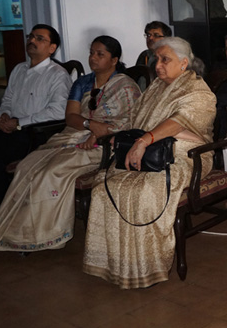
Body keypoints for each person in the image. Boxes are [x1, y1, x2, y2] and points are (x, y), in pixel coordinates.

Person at [83, 37, 216, 289]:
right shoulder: (155, 88)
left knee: (144, 191)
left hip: (186, 156)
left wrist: (145, 140)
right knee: (104, 188)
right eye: (157, 59)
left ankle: (145, 267)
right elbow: (133, 119)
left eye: (166, 60)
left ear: (184, 63)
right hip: (145, 152)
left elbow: (180, 122)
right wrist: (111, 134)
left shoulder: (198, 91)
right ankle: (116, 263)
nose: (158, 65)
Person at [0, 36, 140, 253]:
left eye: (100, 54)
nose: (93, 58)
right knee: (26, 166)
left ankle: (42, 235)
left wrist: (98, 133)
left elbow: (131, 121)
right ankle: (17, 229)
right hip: (71, 136)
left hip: (104, 145)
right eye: (92, 52)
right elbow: (71, 118)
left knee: (52, 172)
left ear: (114, 60)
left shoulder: (125, 86)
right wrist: (90, 124)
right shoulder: (83, 82)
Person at [0, 24, 73, 223]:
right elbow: (7, 99)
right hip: (8, 128)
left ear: (52, 48)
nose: (32, 41)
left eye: (40, 38)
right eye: (31, 37)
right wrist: (4, 115)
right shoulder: (19, 69)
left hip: (32, 134)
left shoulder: (57, 75)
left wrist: (19, 123)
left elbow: (58, 111)